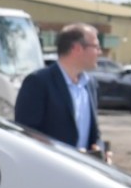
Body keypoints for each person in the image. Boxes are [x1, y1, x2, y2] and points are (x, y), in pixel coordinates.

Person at [14, 22, 104, 156]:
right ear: (77, 48)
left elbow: (94, 133)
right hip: (50, 170)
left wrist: (99, 149)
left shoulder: (89, 84)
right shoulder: (38, 82)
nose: (100, 52)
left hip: (85, 170)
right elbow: (26, 132)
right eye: (96, 46)